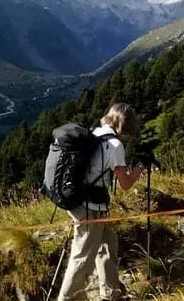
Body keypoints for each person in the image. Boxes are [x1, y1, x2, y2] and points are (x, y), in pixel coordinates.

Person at [57, 104, 147, 301]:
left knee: (107, 244)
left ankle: (111, 294)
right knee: (82, 257)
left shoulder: (96, 133)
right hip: (91, 207)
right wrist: (139, 169)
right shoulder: (115, 145)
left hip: (82, 201)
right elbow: (125, 184)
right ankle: (68, 298)